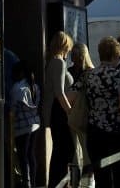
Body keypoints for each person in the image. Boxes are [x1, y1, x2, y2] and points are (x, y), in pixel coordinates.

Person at [75, 36, 120, 188]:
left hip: (95, 134)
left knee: (102, 181)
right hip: (118, 134)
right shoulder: (118, 76)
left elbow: (70, 95)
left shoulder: (88, 75)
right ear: (116, 54)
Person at [44, 31, 75, 188]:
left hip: (58, 111)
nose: (69, 49)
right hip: (60, 112)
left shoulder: (54, 61)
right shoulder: (58, 62)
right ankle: (59, 184)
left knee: (61, 150)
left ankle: (61, 183)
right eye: (68, 46)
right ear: (64, 45)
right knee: (62, 151)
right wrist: (70, 112)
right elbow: (59, 92)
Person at [68, 43, 95, 188]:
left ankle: (85, 183)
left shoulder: (85, 73)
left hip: (79, 117)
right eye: (73, 55)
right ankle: (80, 183)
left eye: (76, 56)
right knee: (79, 154)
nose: (74, 59)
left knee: (84, 153)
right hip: (79, 117)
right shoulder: (90, 73)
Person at [10, 60, 41, 188]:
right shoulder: (34, 86)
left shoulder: (17, 88)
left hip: (22, 127)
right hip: (35, 124)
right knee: (31, 154)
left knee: (23, 156)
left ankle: (26, 183)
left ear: (20, 73)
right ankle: (32, 183)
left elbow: (13, 110)